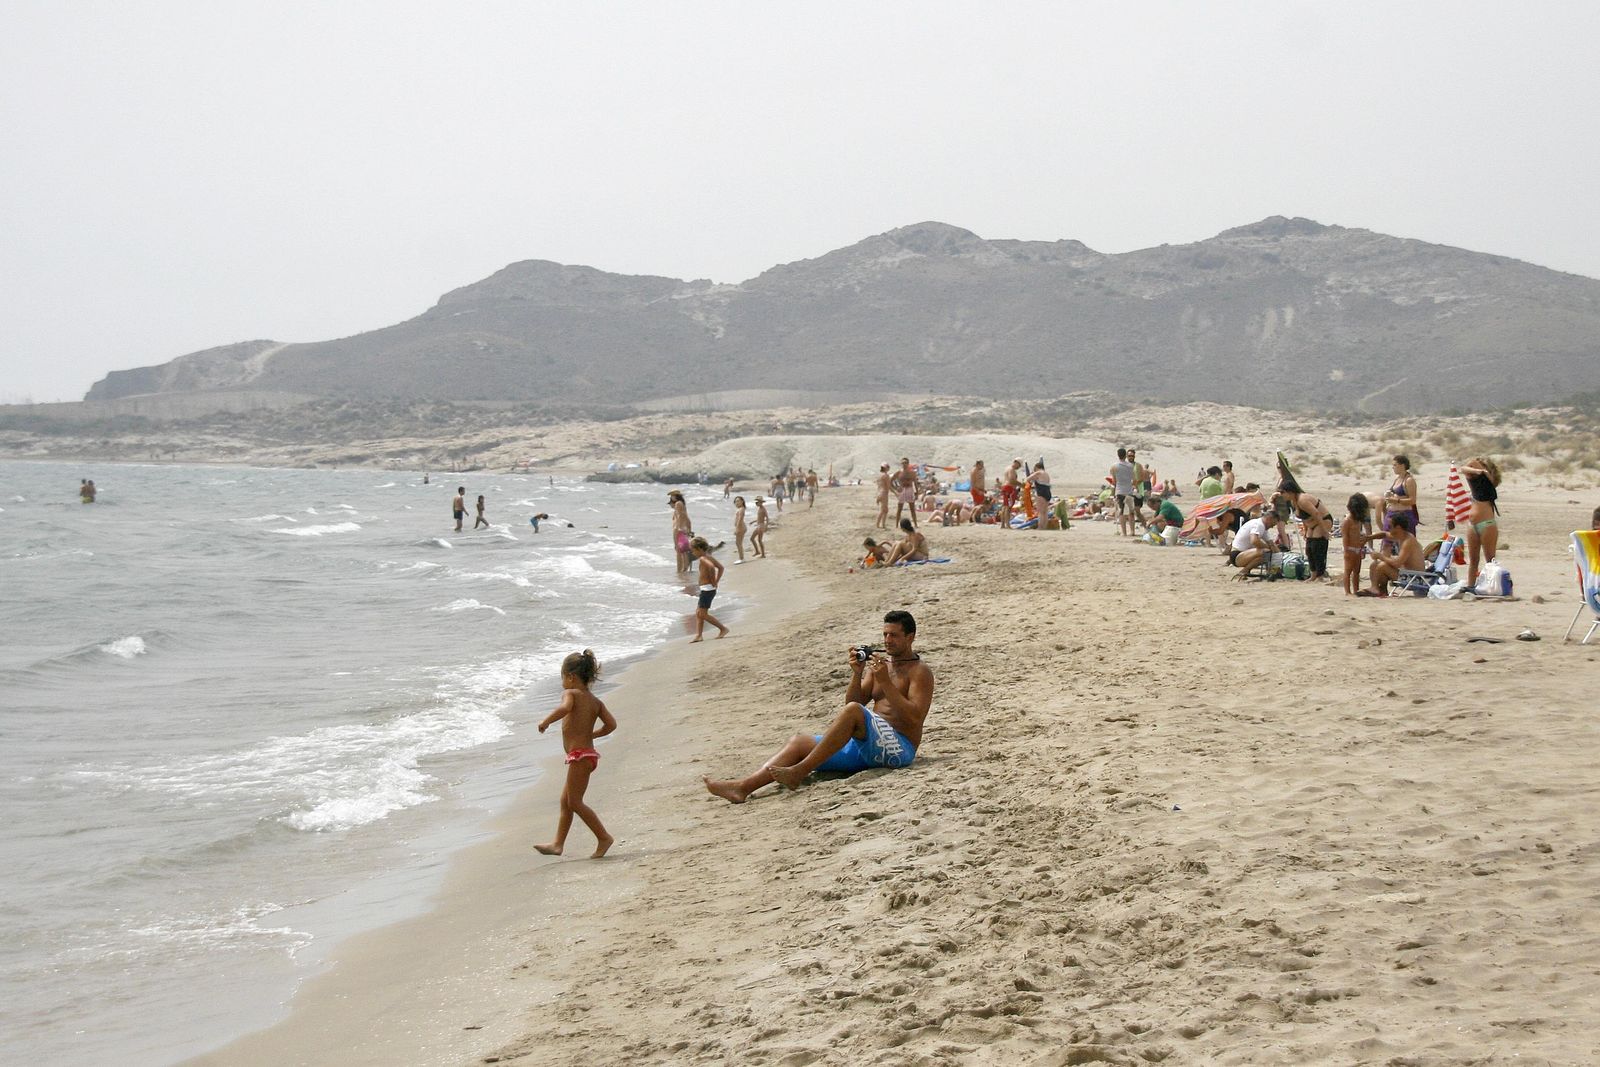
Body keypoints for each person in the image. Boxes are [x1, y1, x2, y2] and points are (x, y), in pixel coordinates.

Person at [703, 611, 934, 803]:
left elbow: (914, 718)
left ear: (910, 637)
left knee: (854, 711)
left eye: (893, 635)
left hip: (899, 750)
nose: (887, 640)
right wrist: (857, 674)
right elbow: (853, 702)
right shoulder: (881, 667)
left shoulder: (919, 672)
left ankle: (799, 771)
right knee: (800, 741)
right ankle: (743, 787)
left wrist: (885, 683)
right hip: (869, 746)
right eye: (884, 635)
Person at [534, 650, 616, 858]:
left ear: (570, 677)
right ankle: (557, 844)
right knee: (566, 801)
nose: (562, 682)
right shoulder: (595, 701)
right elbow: (611, 725)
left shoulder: (570, 694)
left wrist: (546, 721)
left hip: (579, 756)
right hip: (587, 755)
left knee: (575, 802)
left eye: (562, 677)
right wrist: (591, 735)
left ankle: (603, 837)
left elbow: (565, 708)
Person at [1277, 476, 1334, 581]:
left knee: (1317, 547)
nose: (1281, 495)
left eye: (1282, 492)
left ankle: (1320, 575)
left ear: (1290, 492)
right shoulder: (1293, 502)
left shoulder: (1302, 499)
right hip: (1311, 523)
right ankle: (1313, 574)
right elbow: (1303, 517)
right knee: (1309, 549)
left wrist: (1325, 531)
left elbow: (1316, 514)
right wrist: (1306, 529)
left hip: (1322, 520)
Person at [1459, 457, 1503, 588]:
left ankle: (1493, 587)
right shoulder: (1476, 478)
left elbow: (1466, 467)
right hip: (1472, 525)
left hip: (1487, 524)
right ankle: (1471, 586)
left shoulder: (1487, 479)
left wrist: (1480, 471)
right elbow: (1463, 469)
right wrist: (1478, 471)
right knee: (1473, 560)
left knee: (1490, 560)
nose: (1470, 465)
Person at [1365, 513, 1423, 597]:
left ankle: (1375, 589)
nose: (1388, 528)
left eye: (1390, 526)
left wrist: (1380, 556)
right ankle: (1381, 590)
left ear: (1398, 528)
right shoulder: (1401, 536)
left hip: (1415, 578)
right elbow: (1384, 534)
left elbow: (1397, 563)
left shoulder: (1408, 541)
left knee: (1382, 566)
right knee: (1375, 565)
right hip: (1408, 574)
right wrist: (1369, 538)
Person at [688, 537, 729, 642]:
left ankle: (723, 629)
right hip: (707, 589)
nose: (692, 553)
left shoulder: (703, 558)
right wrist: (716, 581)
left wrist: (713, 580)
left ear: (700, 549)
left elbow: (711, 567)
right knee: (698, 612)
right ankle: (699, 635)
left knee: (702, 614)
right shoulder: (709, 556)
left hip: (707, 589)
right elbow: (721, 567)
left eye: (693, 550)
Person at [1341, 495, 1381, 595]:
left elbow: (1359, 534)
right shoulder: (1347, 521)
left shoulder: (1358, 521)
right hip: (1350, 549)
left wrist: (1362, 547)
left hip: (1358, 549)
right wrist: (1346, 550)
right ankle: (1347, 591)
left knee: (1357, 572)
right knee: (1348, 571)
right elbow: (1345, 537)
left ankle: (1356, 590)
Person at [1382, 455, 1420, 550]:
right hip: (1391, 514)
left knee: (1406, 543)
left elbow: (1412, 500)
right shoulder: (1397, 480)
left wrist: (1396, 500)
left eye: (1395, 465)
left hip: (1404, 515)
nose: (1393, 467)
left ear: (1402, 465)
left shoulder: (1409, 480)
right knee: (1387, 540)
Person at [1111, 448, 1136, 537]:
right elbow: (1133, 478)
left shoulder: (1114, 466)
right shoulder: (1131, 466)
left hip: (1120, 491)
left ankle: (1124, 532)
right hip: (1129, 490)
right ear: (1125, 455)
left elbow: (1114, 480)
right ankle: (1132, 531)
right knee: (1130, 512)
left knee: (1121, 511)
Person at [668, 490, 692, 573]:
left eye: (671, 496)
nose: (671, 497)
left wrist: (678, 528)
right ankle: (684, 568)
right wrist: (689, 528)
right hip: (682, 529)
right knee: (683, 550)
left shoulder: (678, 503)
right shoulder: (682, 504)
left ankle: (680, 570)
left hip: (678, 529)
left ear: (675, 496)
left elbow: (681, 516)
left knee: (679, 550)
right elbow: (686, 517)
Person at [891, 458, 918, 529]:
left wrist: (917, 493)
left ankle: (915, 524)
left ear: (908, 464)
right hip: (902, 489)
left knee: (912, 508)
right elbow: (891, 481)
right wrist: (896, 488)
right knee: (899, 508)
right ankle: (896, 524)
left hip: (909, 489)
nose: (904, 464)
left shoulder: (912, 473)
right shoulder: (899, 472)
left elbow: (915, 483)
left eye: (905, 463)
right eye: (903, 463)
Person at [1025, 460, 1052, 529]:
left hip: (1041, 492)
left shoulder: (1038, 472)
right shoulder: (1046, 474)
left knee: (1040, 511)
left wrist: (1032, 474)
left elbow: (1027, 479)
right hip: (1048, 492)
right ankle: (1044, 526)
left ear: (1037, 467)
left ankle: (1040, 527)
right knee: (1045, 512)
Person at [731, 496, 748, 562]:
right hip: (741, 527)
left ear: (742, 501)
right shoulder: (740, 509)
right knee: (738, 543)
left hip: (741, 527)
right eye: (735, 501)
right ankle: (741, 558)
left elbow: (740, 519)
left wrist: (737, 529)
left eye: (738, 501)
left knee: (738, 543)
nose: (736, 503)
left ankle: (741, 558)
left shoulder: (741, 509)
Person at [875, 464, 891, 529]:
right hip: (884, 493)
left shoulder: (879, 476)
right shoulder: (886, 476)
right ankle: (878, 525)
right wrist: (895, 492)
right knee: (883, 510)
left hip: (879, 493)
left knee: (885, 510)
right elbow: (888, 486)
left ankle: (882, 524)